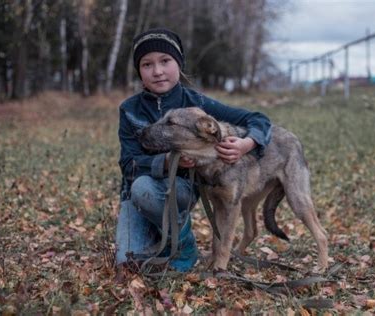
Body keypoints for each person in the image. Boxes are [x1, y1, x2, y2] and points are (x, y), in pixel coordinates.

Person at [115, 28, 272, 273]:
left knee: (145, 189)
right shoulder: (129, 109)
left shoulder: (197, 104)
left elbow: (258, 119)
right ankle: (165, 237)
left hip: (181, 191)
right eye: (147, 64)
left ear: (178, 63)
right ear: (139, 71)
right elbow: (128, 164)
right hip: (136, 196)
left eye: (165, 61)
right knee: (126, 262)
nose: (157, 71)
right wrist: (167, 162)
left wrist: (247, 144)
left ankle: (183, 244)